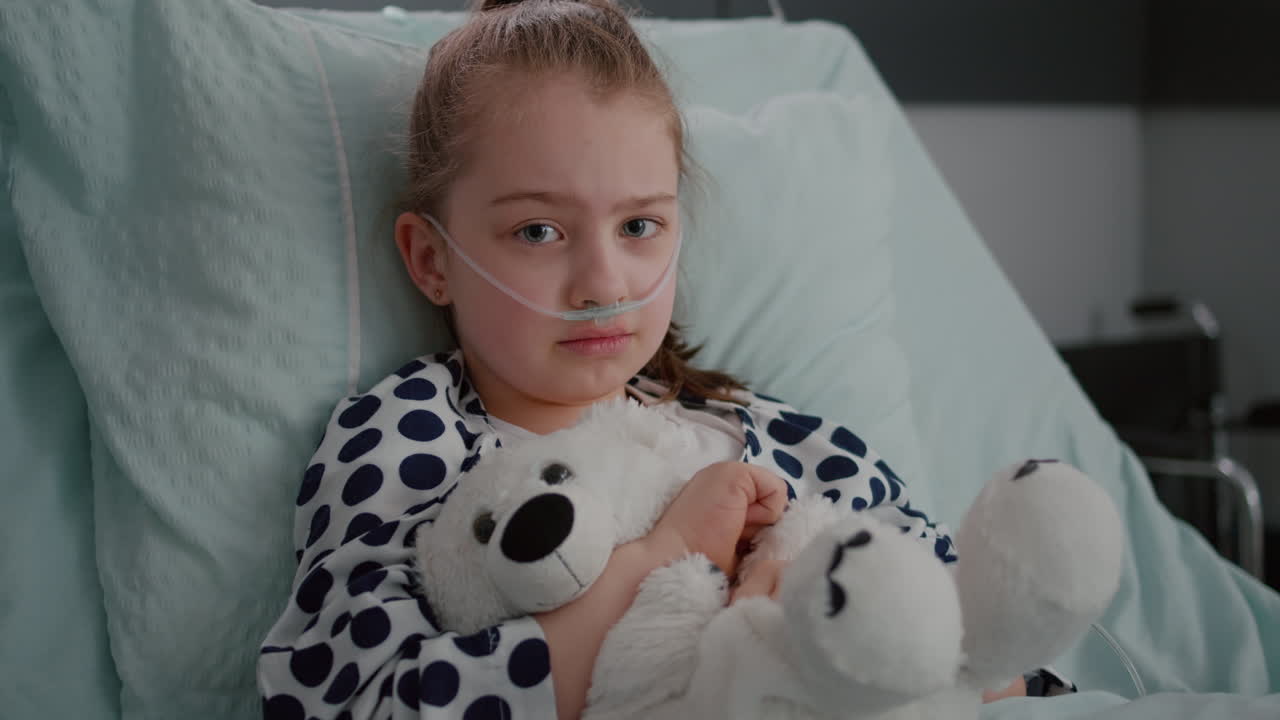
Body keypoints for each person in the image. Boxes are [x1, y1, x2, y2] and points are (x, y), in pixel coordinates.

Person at [258, 1, 1055, 717]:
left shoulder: (788, 447)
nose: (603, 282)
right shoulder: (405, 440)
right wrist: (665, 556)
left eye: (639, 227)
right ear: (431, 261)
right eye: (539, 230)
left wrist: (819, 624)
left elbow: (997, 671)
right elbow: (356, 703)